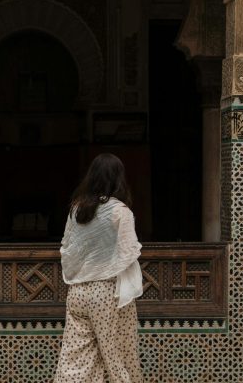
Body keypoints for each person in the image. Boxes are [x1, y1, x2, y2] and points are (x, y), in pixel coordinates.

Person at [53, 153, 144, 383]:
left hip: (77, 292)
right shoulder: (120, 211)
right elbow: (129, 252)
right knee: (116, 358)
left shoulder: (77, 209)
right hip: (106, 293)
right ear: (118, 179)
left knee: (75, 358)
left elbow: (66, 248)